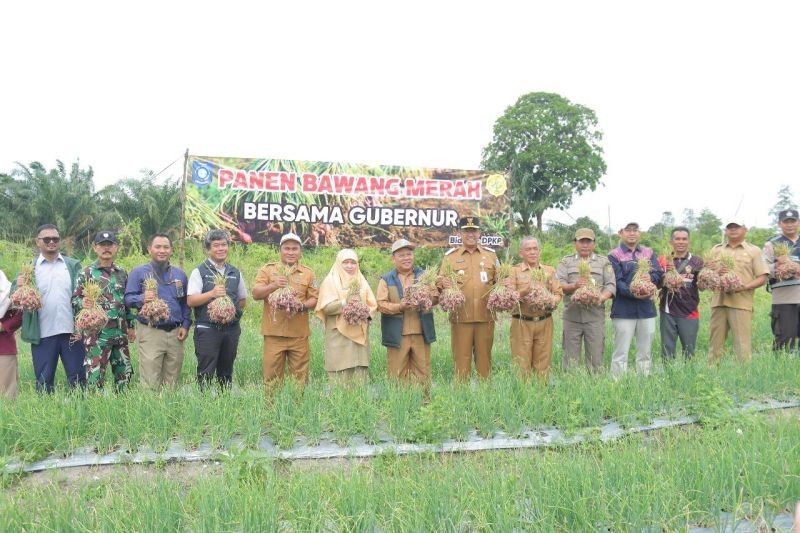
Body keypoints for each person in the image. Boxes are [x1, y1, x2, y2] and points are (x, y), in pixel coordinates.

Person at [15, 224, 85, 392]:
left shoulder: (73, 265)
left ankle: (82, 413)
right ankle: (47, 413)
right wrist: (18, 286)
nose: (52, 242)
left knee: (79, 380)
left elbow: (84, 295)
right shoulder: (29, 268)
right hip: (43, 334)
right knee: (44, 382)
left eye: (55, 239)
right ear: (38, 242)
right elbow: (15, 297)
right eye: (47, 239)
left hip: (72, 333)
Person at [125, 233, 191, 388]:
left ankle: (169, 410)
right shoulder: (139, 272)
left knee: (172, 380)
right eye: (158, 247)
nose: (162, 250)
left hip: (176, 333)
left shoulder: (179, 275)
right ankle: (151, 409)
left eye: (166, 247)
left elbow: (185, 303)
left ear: (171, 250)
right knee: (150, 380)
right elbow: (128, 299)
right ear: (149, 249)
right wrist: (142, 298)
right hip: (150, 331)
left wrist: (186, 325)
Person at [252, 232, 318, 386]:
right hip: (274, 334)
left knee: (300, 379)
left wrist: (301, 306)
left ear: (300, 251)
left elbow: (315, 298)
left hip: (299, 335)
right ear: (279, 250)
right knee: (271, 378)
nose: (291, 252)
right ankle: (271, 409)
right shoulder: (267, 270)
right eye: (287, 248)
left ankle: (298, 409)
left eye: (295, 249)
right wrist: (274, 285)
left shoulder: (308, 273)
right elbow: (255, 294)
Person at [72, 231, 135, 390]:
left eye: (110, 245)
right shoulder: (86, 273)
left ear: (116, 248)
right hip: (97, 335)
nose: (106, 248)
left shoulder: (122, 272)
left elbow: (125, 301)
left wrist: (131, 325)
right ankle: (94, 412)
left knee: (124, 376)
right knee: (95, 378)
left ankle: (122, 411)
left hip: (120, 334)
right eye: (102, 245)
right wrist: (83, 302)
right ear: (95, 248)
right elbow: (74, 300)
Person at [439, 216, 498, 380]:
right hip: (460, 318)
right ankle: (460, 398)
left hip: (485, 317)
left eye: (474, 231)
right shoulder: (450, 257)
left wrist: (506, 283)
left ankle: (484, 399)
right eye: (466, 231)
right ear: (459, 233)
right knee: (461, 361)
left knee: (485, 361)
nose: (470, 234)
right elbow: (440, 282)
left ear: (479, 233)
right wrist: (442, 283)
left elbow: (501, 280)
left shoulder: (491, 255)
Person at [187, 230, 247, 388]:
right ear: (208, 249)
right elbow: (191, 300)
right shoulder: (199, 271)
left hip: (231, 330)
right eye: (216, 245)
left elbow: (242, 300)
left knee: (226, 371)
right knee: (206, 371)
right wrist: (212, 294)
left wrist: (229, 314)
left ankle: (224, 405)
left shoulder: (235, 272)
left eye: (224, 245)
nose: (221, 248)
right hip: (207, 329)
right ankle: (205, 406)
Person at [377, 239, 437, 385]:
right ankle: (399, 405)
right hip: (398, 335)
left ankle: (424, 405)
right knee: (396, 374)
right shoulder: (386, 279)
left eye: (409, 254)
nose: (406, 258)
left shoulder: (425, 276)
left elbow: (436, 297)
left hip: (421, 333)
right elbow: (381, 304)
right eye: (401, 255)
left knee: (423, 373)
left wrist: (426, 298)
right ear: (394, 258)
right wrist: (399, 306)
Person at [556, 228, 616, 373]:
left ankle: (595, 386)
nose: (585, 245)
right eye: (581, 241)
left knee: (595, 358)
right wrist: (574, 286)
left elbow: (611, 285)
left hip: (595, 317)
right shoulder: (566, 262)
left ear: (594, 243)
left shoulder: (603, 262)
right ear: (575, 243)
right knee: (570, 358)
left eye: (588, 241)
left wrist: (600, 298)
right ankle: (570, 386)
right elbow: (558, 285)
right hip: (572, 317)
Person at [708, 220, 768, 363]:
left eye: (737, 227)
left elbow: (762, 277)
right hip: (719, 303)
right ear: (725, 230)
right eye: (730, 227)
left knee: (742, 346)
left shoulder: (754, 251)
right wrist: (715, 271)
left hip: (741, 303)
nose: (733, 230)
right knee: (715, 345)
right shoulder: (716, 250)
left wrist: (744, 287)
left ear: (745, 229)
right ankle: (711, 377)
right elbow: (706, 274)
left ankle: (743, 379)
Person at [608, 222, 663, 377]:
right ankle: (617, 383)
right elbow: (616, 281)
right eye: (628, 230)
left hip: (646, 310)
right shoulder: (614, 255)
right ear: (621, 233)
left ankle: (644, 381)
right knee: (621, 352)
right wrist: (634, 292)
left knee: (645, 352)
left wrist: (650, 277)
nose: (631, 233)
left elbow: (658, 275)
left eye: (635, 230)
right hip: (623, 310)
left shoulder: (648, 252)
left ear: (639, 233)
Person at [315, 248, 377, 384]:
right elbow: (326, 308)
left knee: (359, 378)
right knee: (339, 379)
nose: (350, 266)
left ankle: (358, 405)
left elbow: (372, 306)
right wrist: (345, 302)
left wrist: (362, 313)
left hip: (359, 338)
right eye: (346, 262)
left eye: (353, 262)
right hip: (338, 337)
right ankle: (339, 405)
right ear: (338, 263)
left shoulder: (361, 281)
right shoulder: (330, 281)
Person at [504, 236, 562, 377]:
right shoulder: (513, 271)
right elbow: (508, 298)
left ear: (539, 251)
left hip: (544, 321)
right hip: (522, 322)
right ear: (521, 253)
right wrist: (526, 290)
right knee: (521, 364)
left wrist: (551, 300)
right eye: (528, 249)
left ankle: (541, 394)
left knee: (543, 363)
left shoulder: (549, 270)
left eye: (535, 249)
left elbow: (558, 293)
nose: (532, 252)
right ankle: (523, 395)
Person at [657, 226, 704, 360]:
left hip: (690, 311)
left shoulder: (697, 261)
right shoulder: (663, 260)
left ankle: (689, 377)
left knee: (689, 350)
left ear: (689, 241)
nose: (681, 242)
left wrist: (709, 275)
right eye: (677, 239)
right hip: (668, 311)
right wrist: (666, 273)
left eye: (684, 239)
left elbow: (702, 287)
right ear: (671, 242)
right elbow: (657, 284)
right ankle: (669, 378)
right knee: (667, 350)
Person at [762, 209, 800, 353]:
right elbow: (762, 269)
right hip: (784, 298)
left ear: (798, 222)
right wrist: (778, 265)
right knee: (785, 338)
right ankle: (781, 370)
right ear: (779, 224)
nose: (790, 225)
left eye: (793, 221)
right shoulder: (772, 244)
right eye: (786, 222)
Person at [0, 269, 23, 398]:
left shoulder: (8, 289)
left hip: (3, 348)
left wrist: (3, 326)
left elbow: (20, 314)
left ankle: (6, 419)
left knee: (6, 395)